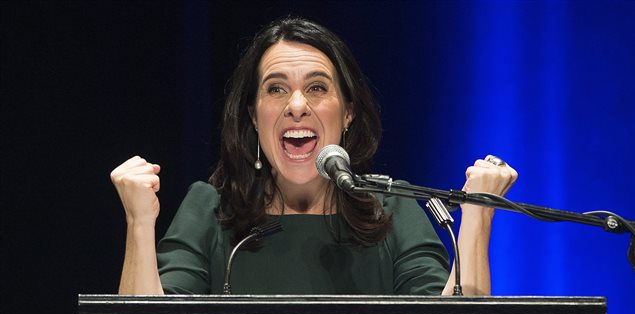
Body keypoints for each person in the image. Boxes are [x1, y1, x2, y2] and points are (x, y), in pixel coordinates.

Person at [110, 16, 517, 296]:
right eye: (276, 89)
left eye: (318, 88)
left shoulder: (394, 210)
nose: (297, 105)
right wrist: (139, 223)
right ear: (254, 115)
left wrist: (478, 217)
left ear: (349, 112)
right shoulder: (210, 210)